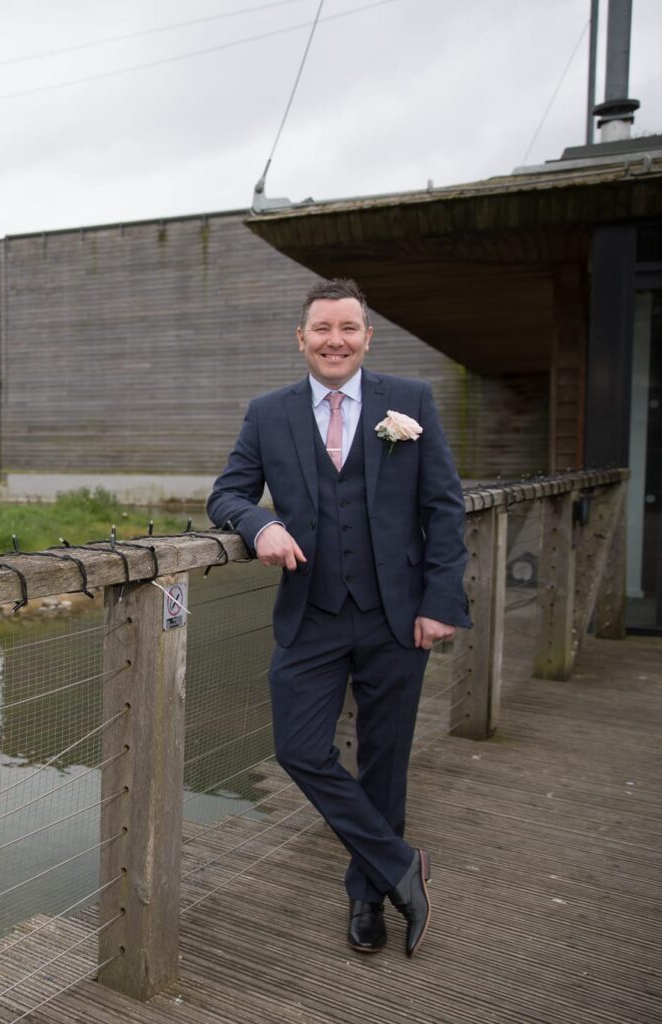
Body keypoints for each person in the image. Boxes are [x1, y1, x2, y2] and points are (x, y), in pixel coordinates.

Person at [206, 278, 470, 957]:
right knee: (299, 748)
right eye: (322, 328)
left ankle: (367, 897)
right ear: (301, 339)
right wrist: (259, 523)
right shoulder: (268, 413)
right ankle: (401, 864)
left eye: (348, 328)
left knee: (385, 761)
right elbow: (227, 493)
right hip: (312, 613)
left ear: (367, 338)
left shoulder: (410, 401)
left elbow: (443, 507)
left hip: (397, 616)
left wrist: (441, 601)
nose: (335, 340)